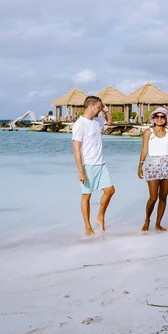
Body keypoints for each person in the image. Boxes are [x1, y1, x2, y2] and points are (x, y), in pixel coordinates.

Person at [138, 106, 168, 232]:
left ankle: (158, 223)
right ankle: (147, 219)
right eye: (157, 116)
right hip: (152, 165)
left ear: (166, 119)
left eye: (162, 117)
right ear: (153, 118)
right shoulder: (148, 132)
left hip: (166, 165)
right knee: (153, 198)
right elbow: (144, 150)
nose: (159, 119)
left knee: (163, 196)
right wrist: (140, 165)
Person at [72, 96, 114, 235]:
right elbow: (76, 149)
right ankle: (88, 227)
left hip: (101, 164)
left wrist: (106, 110)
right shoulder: (80, 124)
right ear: (91, 106)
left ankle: (100, 216)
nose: (99, 110)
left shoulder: (97, 121)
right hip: (88, 165)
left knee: (110, 190)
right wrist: (80, 171)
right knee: (86, 196)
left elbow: (110, 122)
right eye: (98, 107)